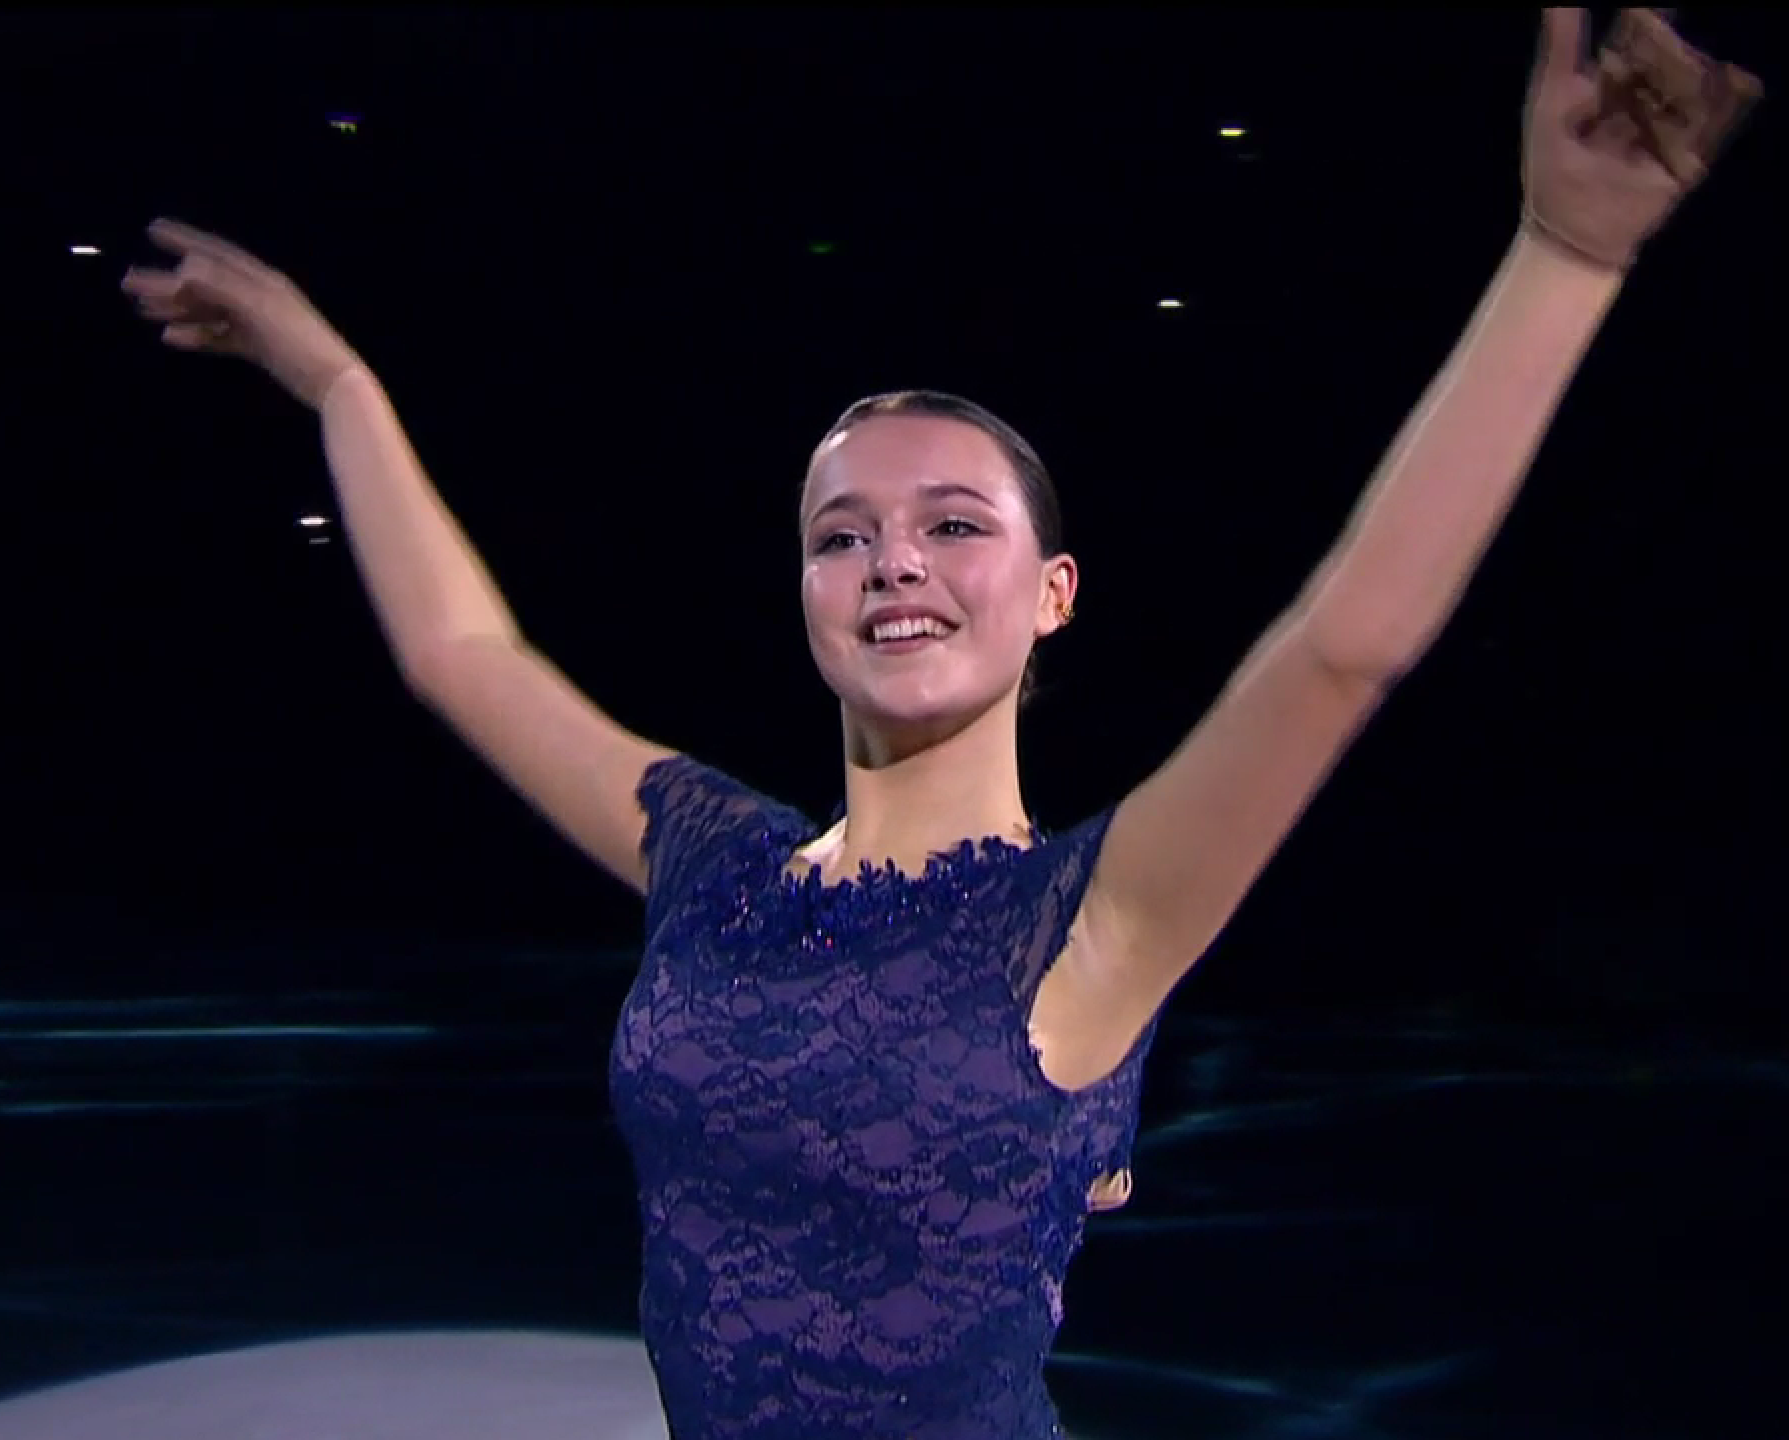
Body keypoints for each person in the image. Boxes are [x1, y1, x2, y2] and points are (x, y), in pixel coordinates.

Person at [122, 11, 1757, 1438]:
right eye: (842, 535)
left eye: (952, 524)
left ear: (1052, 593)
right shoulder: (712, 858)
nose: (893, 560)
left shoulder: (1095, 917)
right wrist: (339, 384)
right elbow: (461, 653)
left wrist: (1567, 257)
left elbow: (1344, 646)